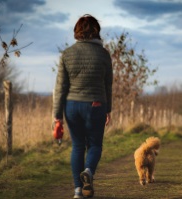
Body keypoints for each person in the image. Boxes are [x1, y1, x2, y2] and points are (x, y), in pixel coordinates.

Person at [53, 14, 113, 199]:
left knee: (78, 146)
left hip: (72, 106)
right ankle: (88, 171)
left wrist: (57, 116)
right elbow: (107, 84)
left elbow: (60, 87)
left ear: (77, 32)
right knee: (94, 145)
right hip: (96, 104)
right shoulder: (103, 54)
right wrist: (108, 109)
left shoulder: (67, 54)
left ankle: (78, 190)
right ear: (96, 32)